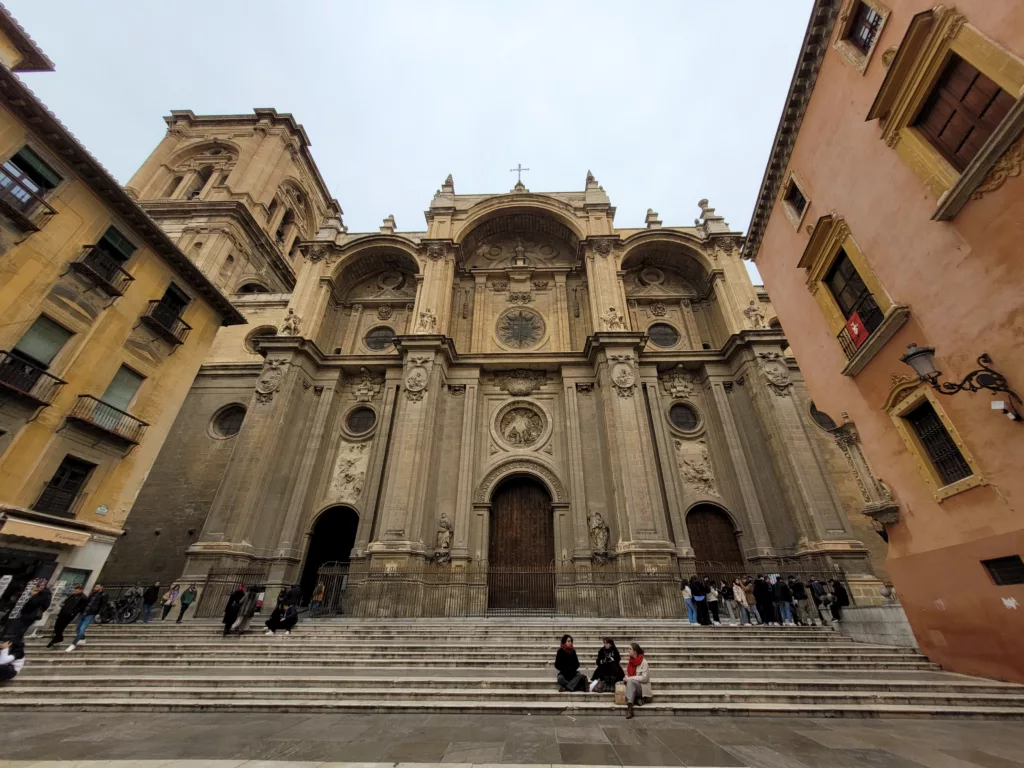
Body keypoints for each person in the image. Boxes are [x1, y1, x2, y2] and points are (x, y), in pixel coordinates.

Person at [66, 584, 108, 652]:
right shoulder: (92, 593)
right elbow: (86, 602)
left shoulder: (104, 595)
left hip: (91, 613)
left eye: (97, 587)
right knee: (78, 629)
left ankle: (73, 644)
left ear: (101, 588)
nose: (95, 588)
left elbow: (103, 605)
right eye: (95, 587)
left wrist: (98, 613)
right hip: (83, 612)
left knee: (82, 628)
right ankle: (83, 639)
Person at [46, 584, 88, 648]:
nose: (75, 592)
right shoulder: (72, 595)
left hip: (70, 614)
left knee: (62, 626)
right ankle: (58, 638)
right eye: (75, 590)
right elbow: (66, 602)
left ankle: (57, 639)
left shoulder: (84, 598)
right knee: (57, 625)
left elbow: (82, 607)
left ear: (81, 590)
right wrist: (63, 605)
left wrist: (73, 612)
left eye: (76, 591)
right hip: (63, 612)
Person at [623, 642, 651, 719]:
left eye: (630, 649)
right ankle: (636, 699)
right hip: (632, 684)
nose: (628, 651)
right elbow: (628, 673)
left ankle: (630, 708)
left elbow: (644, 679)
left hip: (642, 687)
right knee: (619, 683)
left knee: (630, 682)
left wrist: (630, 678)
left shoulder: (644, 662)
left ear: (635, 651)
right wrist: (626, 677)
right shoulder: (631, 661)